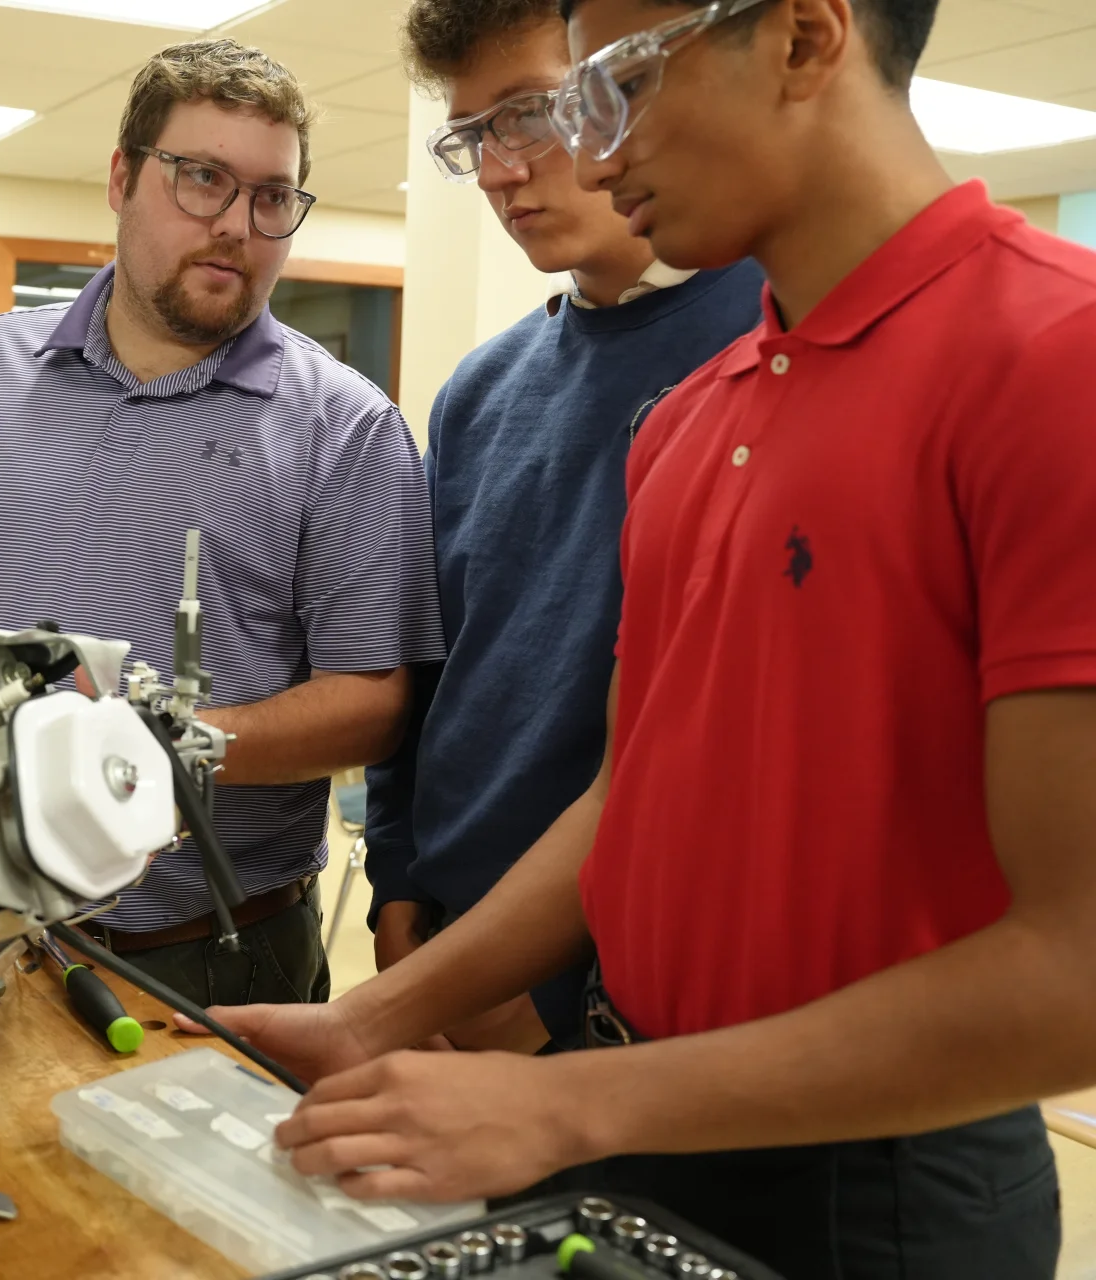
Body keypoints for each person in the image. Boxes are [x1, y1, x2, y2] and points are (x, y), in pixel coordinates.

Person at [197, 0, 1096, 1273]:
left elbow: (1076, 971)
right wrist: (375, 1015)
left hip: (872, 1175)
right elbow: (628, 796)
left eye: (618, 82)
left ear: (802, 37)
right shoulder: (688, 420)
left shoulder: (1059, 358)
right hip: (638, 1116)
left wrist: (569, 1101)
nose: (596, 148)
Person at [0, 39, 443, 1007]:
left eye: (271, 196)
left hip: (206, 955)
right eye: (202, 178)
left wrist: (155, 747)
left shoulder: (347, 427)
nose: (236, 225)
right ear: (122, 179)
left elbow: (372, 702)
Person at [363, 0, 763, 1055]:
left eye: (530, 113)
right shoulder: (480, 392)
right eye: (473, 135)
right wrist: (396, 882)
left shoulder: (772, 343)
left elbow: (728, 759)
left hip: (622, 998)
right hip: (441, 948)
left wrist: (553, 994)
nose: (500, 172)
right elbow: (429, 668)